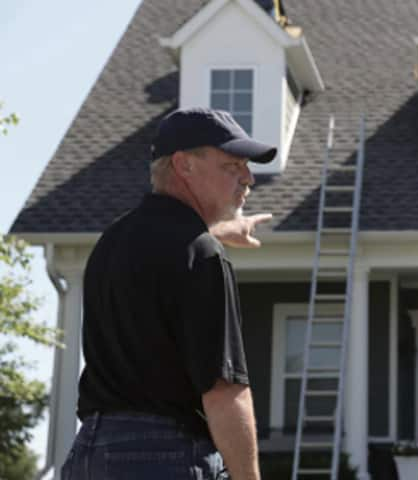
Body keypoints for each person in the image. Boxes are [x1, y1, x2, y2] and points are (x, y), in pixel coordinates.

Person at [60, 107, 276, 480]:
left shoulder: (114, 239)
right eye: (232, 165)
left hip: (90, 453)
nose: (248, 178)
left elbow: (167, 245)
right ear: (184, 165)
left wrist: (219, 228)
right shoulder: (202, 256)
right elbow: (223, 393)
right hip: (164, 457)